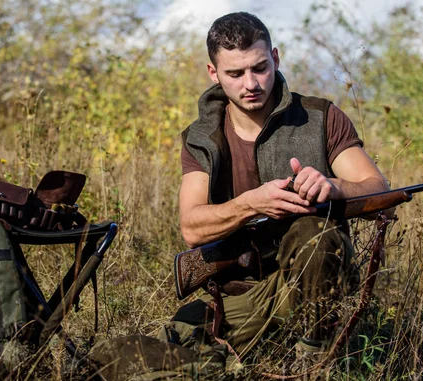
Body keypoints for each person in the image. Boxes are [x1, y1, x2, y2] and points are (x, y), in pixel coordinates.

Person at [163, 11, 390, 364]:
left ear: (276, 58)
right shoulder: (201, 138)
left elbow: (379, 190)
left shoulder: (321, 117)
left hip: (313, 281)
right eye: (235, 74)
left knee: (315, 232)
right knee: (166, 354)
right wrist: (251, 204)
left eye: (260, 68)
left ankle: (313, 356)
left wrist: (333, 186)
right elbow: (192, 228)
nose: (250, 84)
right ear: (213, 73)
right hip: (239, 292)